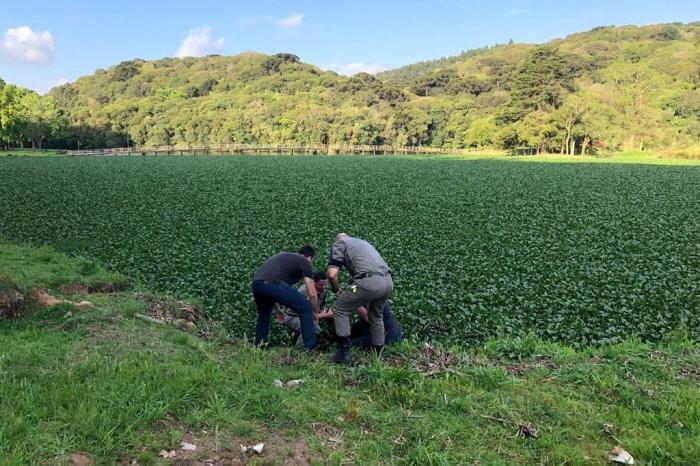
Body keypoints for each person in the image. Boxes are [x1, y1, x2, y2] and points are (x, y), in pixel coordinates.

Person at [327, 233, 394, 363]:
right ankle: (378, 355)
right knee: (376, 315)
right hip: (387, 282)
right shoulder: (363, 243)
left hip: (369, 282)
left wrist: (336, 289)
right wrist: (349, 291)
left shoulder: (341, 243)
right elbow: (357, 286)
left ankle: (344, 354)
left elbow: (332, 274)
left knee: (339, 309)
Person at [252, 245, 320, 349]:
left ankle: (259, 347)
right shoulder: (304, 261)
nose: (310, 263)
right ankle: (309, 348)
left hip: (257, 284)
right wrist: (315, 311)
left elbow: (269, 289)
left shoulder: (286, 257)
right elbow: (311, 292)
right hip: (272, 283)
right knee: (305, 308)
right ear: (310, 257)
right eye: (312, 261)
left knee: (264, 315)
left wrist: (277, 310)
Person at [276, 271, 334, 346]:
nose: (323, 287)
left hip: (307, 316)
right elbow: (309, 312)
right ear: (314, 282)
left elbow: (321, 307)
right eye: (321, 285)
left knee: (319, 332)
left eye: (325, 285)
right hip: (293, 316)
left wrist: (324, 313)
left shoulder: (323, 291)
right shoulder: (303, 291)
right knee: (311, 328)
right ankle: (300, 350)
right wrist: (328, 315)